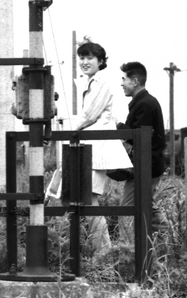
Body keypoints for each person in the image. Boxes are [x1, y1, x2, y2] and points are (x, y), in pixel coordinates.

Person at [72, 41, 133, 256]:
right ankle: (100, 249)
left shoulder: (102, 82)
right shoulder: (91, 82)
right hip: (91, 148)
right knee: (85, 198)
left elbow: (89, 115)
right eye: (82, 57)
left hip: (98, 149)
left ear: (100, 62)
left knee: (89, 198)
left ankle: (103, 251)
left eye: (90, 58)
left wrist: (64, 130)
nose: (85, 62)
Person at [117, 61, 167, 232]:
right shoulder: (144, 102)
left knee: (127, 211)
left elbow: (138, 137)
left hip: (144, 167)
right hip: (147, 166)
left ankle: (128, 252)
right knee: (147, 206)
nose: (121, 83)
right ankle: (170, 243)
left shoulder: (144, 104)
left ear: (135, 81)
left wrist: (118, 126)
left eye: (124, 79)